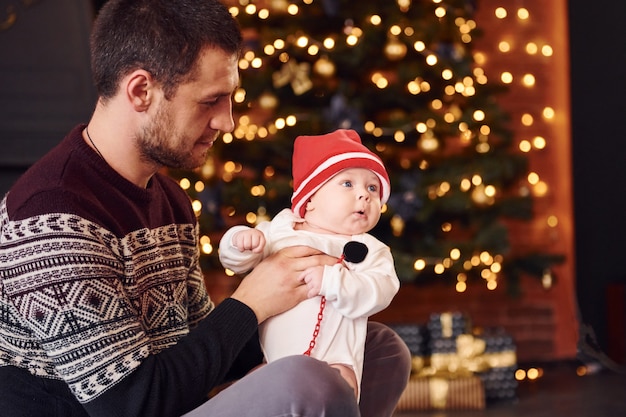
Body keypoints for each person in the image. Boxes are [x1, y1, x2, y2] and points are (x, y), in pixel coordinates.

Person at [0, 0, 411, 416]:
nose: (227, 121)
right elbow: (130, 404)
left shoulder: (170, 199)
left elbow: (200, 350)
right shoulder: (52, 214)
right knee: (308, 382)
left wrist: (296, 301)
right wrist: (251, 302)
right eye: (211, 101)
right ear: (141, 91)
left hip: (168, 400)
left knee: (381, 350)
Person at [219, 129, 399, 401]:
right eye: (348, 184)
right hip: (276, 363)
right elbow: (236, 262)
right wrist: (239, 242)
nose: (364, 195)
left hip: (335, 362)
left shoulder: (371, 250)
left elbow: (380, 290)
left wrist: (332, 281)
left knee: (341, 388)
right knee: (251, 385)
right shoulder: (280, 232)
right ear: (310, 198)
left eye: (372, 188)